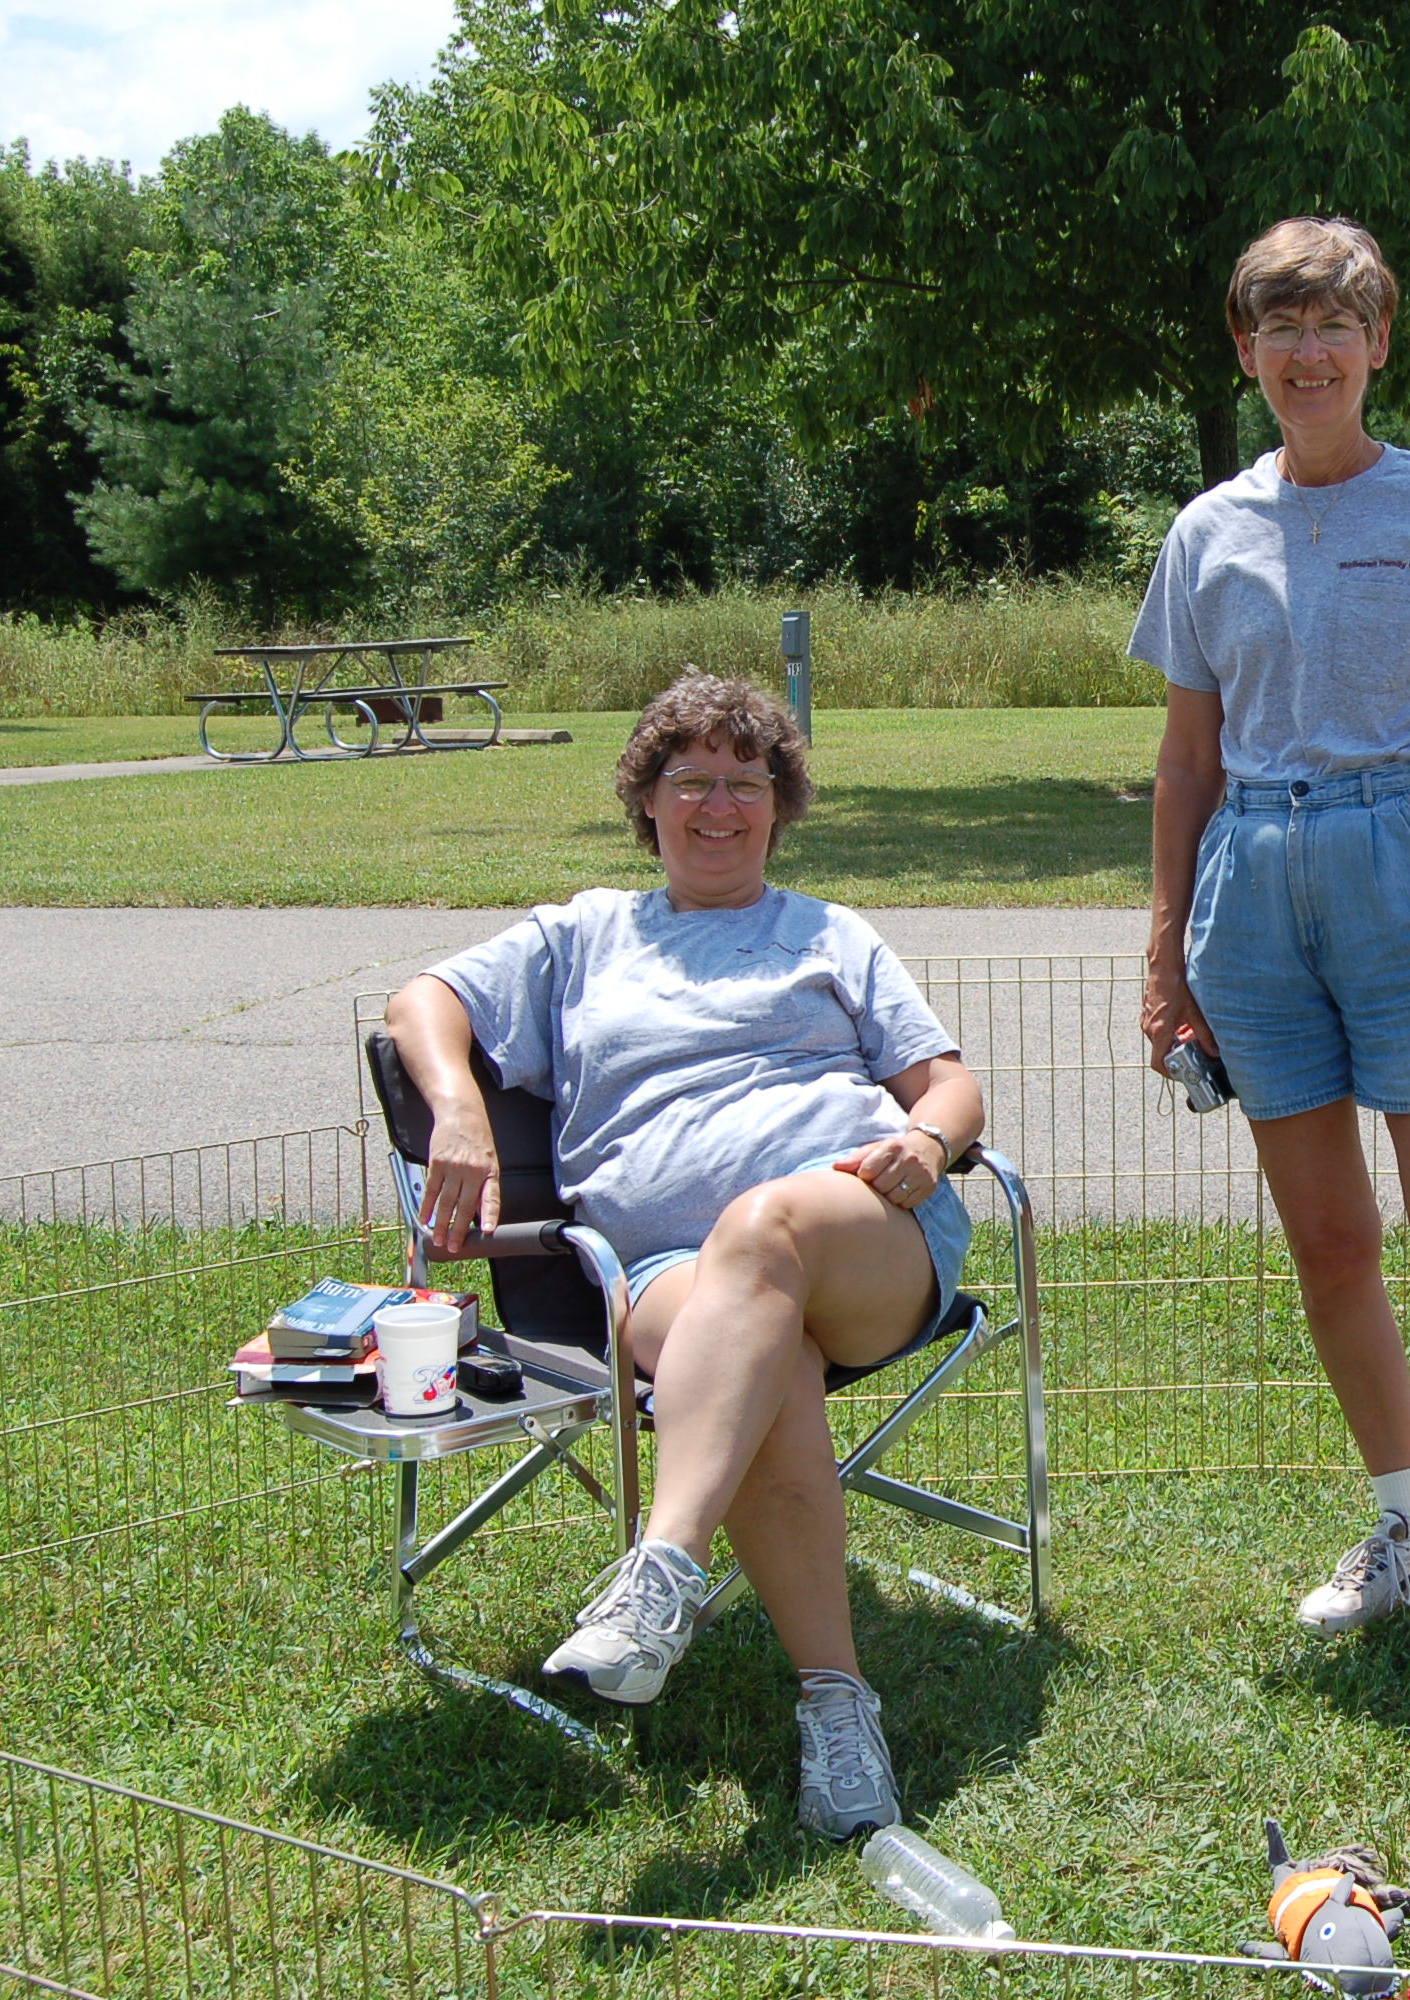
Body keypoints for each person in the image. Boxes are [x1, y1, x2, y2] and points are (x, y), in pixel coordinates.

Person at [385, 672, 981, 1840]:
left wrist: (927, 1135)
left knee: (763, 1228)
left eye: (745, 782)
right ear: (645, 801)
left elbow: (948, 1081)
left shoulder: (828, 933)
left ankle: (660, 1569)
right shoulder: (582, 933)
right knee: (768, 1359)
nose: (719, 804)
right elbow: (424, 997)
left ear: (779, 803)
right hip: (655, 1270)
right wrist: (458, 1105)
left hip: (864, 1231)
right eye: (690, 779)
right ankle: (837, 1712)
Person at [1133, 215, 1410, 1680]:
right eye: (1279, 329)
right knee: (1328, 1241)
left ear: (1378, 343)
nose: (1307, 353)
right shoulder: (1208, 531)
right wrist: (1165, 956)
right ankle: (1409, 1529)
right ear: (1246, 351)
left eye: (1336, 325)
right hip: (1249, 894)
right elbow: (1187, 762)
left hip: (1408, 874)